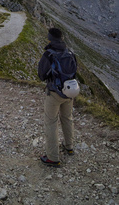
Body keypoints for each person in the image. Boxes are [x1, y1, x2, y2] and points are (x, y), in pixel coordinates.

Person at [38, 27, 77, 167]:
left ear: (50, 38)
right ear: (61, 38)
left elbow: (41, 75)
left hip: (54, 93)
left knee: (51, 122)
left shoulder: (49, 54)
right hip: (69, 92)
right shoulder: (70, 52)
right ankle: (69, 147)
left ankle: (53, 158)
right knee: (67, 118)